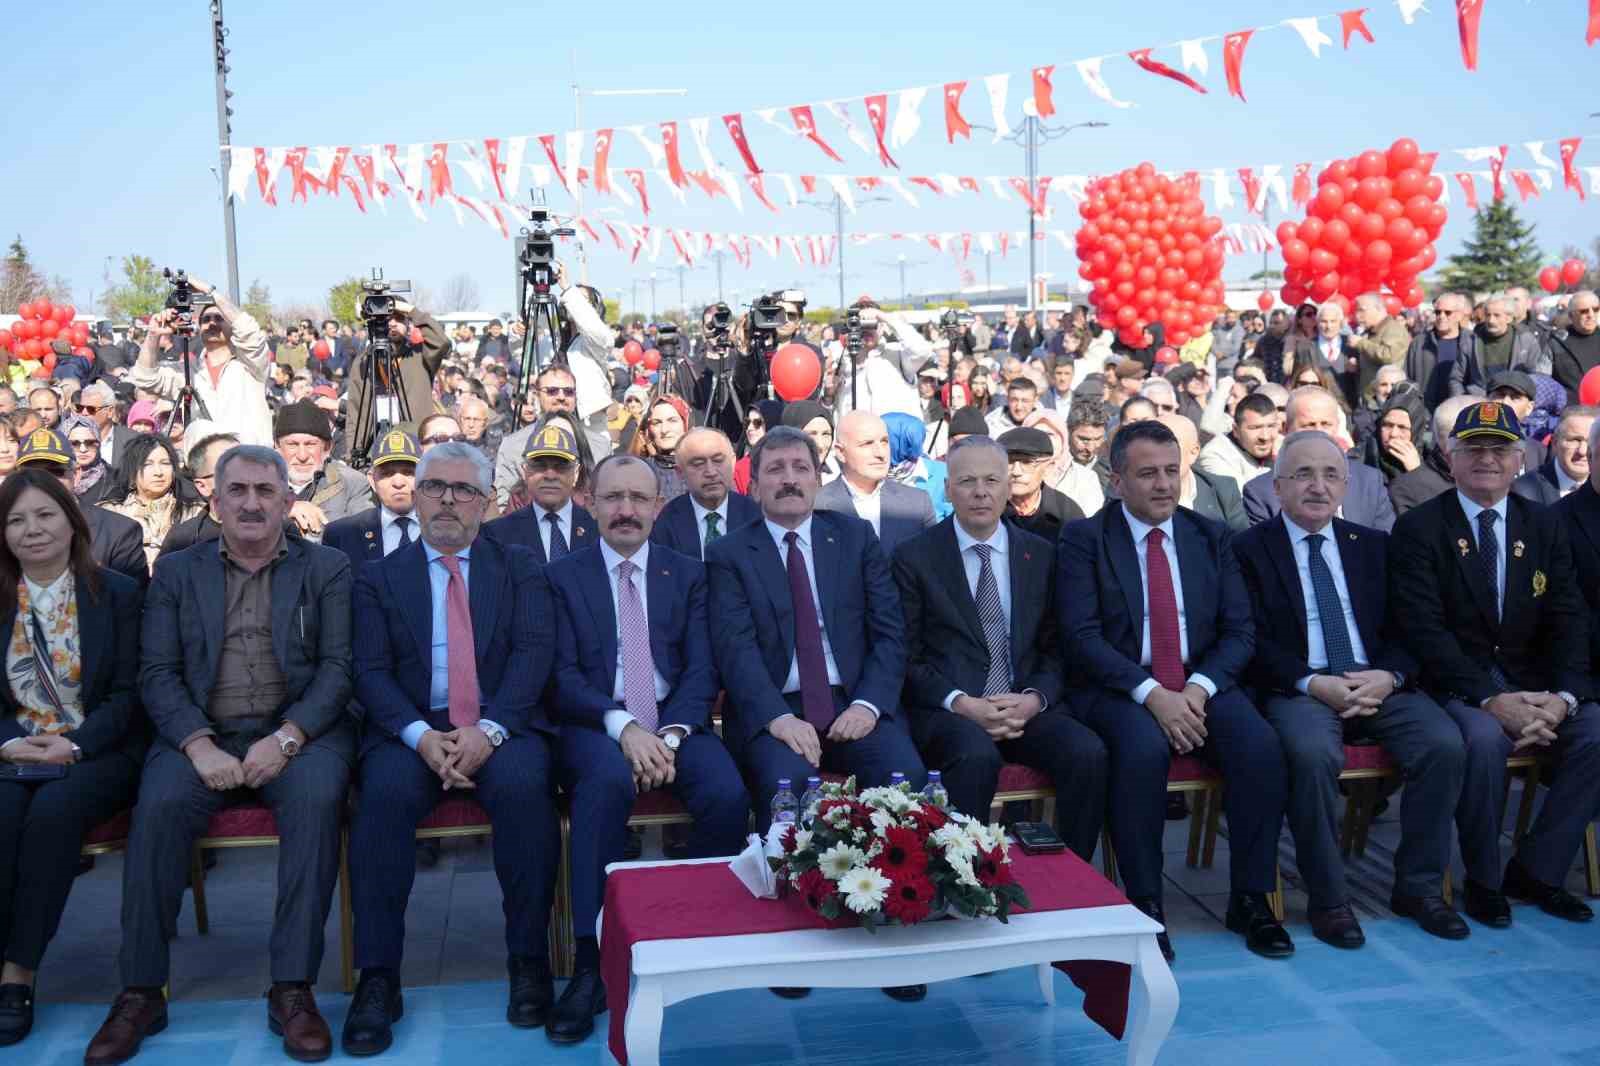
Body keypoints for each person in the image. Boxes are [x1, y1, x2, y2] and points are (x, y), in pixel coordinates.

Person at [87, 445, 353, 1065]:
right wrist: (197, 744)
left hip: (299, 733)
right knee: (156, 807)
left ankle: (292, 987)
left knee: (316, 801)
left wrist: (288, 738)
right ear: (216, 500)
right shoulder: (179, 572)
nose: (252, 503)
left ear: (289, 501)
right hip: (200, 733)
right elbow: (156, 672)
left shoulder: (328, 568)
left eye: (266, 491)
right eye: (238, 491)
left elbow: (339, 671)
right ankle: (140, 990)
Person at [341, 442, 560, 1055]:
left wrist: (487, 732)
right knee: (381, 798)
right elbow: (370, 671)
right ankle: (378, 977)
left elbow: (532, 654)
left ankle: (529, 960)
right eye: (435, 486)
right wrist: (419, 736)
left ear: (487, 503)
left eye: (464, 490)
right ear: (415, 494)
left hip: (499, 722)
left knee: (523, 789)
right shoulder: (378, 576)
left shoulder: (519, 567)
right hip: (410, 727)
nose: (446, 500)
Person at [705, 424, 927, 1001]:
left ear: (817, 476)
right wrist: (776, 718)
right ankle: (793, 938)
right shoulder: (729, 553)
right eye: (774, 469)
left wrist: (869, 704)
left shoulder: (852, 539)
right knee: (790, 787)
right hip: (776, 710)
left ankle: (894, 929)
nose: (788, 479)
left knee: (904, 777)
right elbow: (735, 648)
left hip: (854, 703)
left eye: (799, 468)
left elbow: (889, 634)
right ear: (754, 485)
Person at [1058, 419, 1291, 962]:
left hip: (1200, 682)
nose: (1163, 485)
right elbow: (1081, 637)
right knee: (1142, 750)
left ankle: (1252, 899)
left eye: (1171, 471)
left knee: (1259, 746)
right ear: (1117, 480)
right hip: (1119, 685)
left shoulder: (1209, 535)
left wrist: (1199, 689)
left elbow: (1239, 631)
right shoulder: (1084, 540)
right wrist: (1151, 694)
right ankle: (1145, 903)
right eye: (1147, 475)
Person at [1234, 432, 1468, 947]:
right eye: (1303, 475)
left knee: (1444, 744)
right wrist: (1312, 681)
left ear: (1346, 484)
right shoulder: (1247, 550)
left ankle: (1421, 888)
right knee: (1312, 753)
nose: (1318, 487)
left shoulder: (1376, 548)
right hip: (1301, 687)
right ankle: (1329, 899)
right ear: (1277, 487)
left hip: (1377, 680)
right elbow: (1248, 638)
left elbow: (1414, 628)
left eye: (1331, 475)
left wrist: (1391, 676)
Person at [546, 455, 749, 1043]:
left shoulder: (687, 574)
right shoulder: (562, 576)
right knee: (604, 788)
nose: (626, 510)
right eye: (613, 498)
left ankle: (692, 937)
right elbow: (559, 674)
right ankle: (592, 962)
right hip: (596, 725)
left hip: (676, 726)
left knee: (728, 794)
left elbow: (701, 667)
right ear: (591, 502)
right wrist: (622, 727)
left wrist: (672, 733)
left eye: (639, 499)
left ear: (660, 507)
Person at [1389, 401, 1600, 928]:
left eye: (1500, 448)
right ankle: (1483, 881)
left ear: (1521, 459)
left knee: (1597, 731)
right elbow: (1424, 632)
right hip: (1457, 689)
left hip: (1535, 688)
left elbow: (1570, 618)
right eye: (1474, 448)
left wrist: (1564, 697)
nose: (1487, 458)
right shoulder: (1419, 528)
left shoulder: (1544, 525)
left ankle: (1537, 871)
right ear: (1450, 457)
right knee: (1483, 740)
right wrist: (1490, 698)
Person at [892, 437, 1107, 853]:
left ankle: (1072, 878)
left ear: (1009, 486)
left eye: (992, 480)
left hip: (1022, 703)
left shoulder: (1041, 555)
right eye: (967, 481)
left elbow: (1056, 646)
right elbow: (905, 654)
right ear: (948, 489)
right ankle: (966, 874)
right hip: (952, 710)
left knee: (1087, 752)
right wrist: (962, 703)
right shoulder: (914, 557)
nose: (980, 491)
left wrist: (1034, 699)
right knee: (975, 758)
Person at [0, 470, 144, 1048]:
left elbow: (131, 693)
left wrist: (76, 744)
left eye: (44, 515)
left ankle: (19, 972)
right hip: (13, 750)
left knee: (55, 813)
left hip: (97, 750)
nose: (32, 530)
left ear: (71, 521)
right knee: (5, 810)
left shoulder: (119, 593)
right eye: (15, 520)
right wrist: (10, 739)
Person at [127, 281, 274, 446]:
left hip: (250, 460)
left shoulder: (251, 365)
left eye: (219, 319)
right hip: (204, 465)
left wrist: (210, 293)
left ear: (232, 325)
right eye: (206, 319)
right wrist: (153, 334)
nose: (212, 323)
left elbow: (250, 334)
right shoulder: (188, 372)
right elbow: (144, 377)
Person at [1242, 387, 1396, 531]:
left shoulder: (1369, 482)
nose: (1319, 433)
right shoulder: (1261, 493)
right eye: (1309, 425)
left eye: (1326, 424)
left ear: (1337, 426)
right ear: (1285, 429)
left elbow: (1384, 547)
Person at [13, 430, 147, 589]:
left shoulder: (119, 532)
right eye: (33, 473)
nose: (44, 481)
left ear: (75, 474)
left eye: (55, 472)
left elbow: (129, 602)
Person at [814, 411, 936, 556]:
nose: (880, 453)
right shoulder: (816, 506)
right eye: (867, 444)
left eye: (884, 442)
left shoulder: (918, 503)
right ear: (841, 452)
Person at [344, 297, 449, 464]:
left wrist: (412, 310)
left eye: (399, 318)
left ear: (408, 324)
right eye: (386, 318)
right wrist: (353, 455)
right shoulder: (363, 361)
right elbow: (355, 412)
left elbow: (442, 342)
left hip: (416, 445)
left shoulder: (420, 355)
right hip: (375, 449)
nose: (392, 323)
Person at [482, 423, 598, 564]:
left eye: (561, 466)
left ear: (576, 473)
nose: (550, 475)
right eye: (539, 466)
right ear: (525, 471)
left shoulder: (599, 530)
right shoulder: (497, 534)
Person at [650, 428, 760, 560]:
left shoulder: (754, 515)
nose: (711, 472)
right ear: (680, 472)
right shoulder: (667, 523)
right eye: (698, 464)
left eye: (718, 461)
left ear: (732, 462)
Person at [100, 435, 205, 569]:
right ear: (132, 470)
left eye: (165, 463)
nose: (158, 472)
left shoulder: (195, 512)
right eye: (147, 464)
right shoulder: (110, 512)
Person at [273, 399, 374, 540]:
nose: (302, 456)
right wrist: (284, 509)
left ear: (327, 448)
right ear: (277, 447)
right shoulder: (257, 483)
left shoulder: (353, 483)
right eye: (292, 444)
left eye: (310, 444)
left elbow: (365, 537)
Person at [324, 431, 421, 570]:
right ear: (371, 479)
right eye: (387, 474)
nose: (399, 482)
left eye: (409, 473)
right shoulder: (341, 535)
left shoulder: (448, 530)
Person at [1388, 395, 1473, 518]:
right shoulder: (1404, 489)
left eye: (1402, 427)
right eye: (1387, 425)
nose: (1393, 434)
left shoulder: (1500, 482)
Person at [1160, 413, 1247, 531]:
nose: (1158, 455)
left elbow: (1241, 543)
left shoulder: (1222, 490)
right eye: (1151, 447)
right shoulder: (1133, 492)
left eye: (1169, 445)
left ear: (1193, 453)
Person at [998, 426, 1084, 542]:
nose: (1016, 471)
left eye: (1027, 462)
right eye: (1009, 462)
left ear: (1048, 467)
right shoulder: (985, 507)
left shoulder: (1067, 512)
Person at [1449, 294, 1546, 396]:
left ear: (1509, 317)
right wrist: (1462, 403)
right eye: (1488, 315)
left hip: (1515, 402)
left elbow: (1538, 377)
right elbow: (1456, 378)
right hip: (1479, 403)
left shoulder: (1526, 341)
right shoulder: (1470, 341)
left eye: (1497, 315)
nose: (1491, 320)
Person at [1197, 391, 1278, 495]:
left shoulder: (1284, 446)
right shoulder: (1214, 455)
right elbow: (1248, 500)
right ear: (1236, 430)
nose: (1265, 437)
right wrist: (1277, 464)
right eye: (1255, 428)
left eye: (1271, 426)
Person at [1513, 405, 1595, 505]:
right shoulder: (1523, 491)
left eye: (1591, 441)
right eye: (1575, 440)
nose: (1582, 451)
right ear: (1555, 443)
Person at [1407, 293, 1476, 409]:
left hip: (1461, 410)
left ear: (1459, 315)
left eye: (1447, 312)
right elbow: (1409, 377)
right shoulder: (1419, 342)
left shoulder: (1472, 341)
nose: (1441, 316)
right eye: (1438, 312)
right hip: (1426, 412)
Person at [1344, 294, 1412, 399]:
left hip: (1387, 398)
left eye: (1362, 310)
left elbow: (1389, 356)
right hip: (1369, 398)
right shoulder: (1370, 331)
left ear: (1378, 309)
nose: (1357, 316)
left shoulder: (1393, 329)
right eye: (1356, 311)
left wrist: (1361, 343)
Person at [1057, 400, 1110, 517]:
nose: (1090, 448)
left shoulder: (1114, 470)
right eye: (1084, 439)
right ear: (1067, 431)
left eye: (1097, 439)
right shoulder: (1053, 467)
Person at [1549, 291, 1600, 396]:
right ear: (1571, 315)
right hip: (1572, 409)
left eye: (1595, 309)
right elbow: (1543, 379)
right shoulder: (1556, 342)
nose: (1590, 315)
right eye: (1584, 311)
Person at [640, 395, 690, 502]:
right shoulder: (640, 471)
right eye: (656, 423)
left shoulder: (703, 469)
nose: (664, 430)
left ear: (685, 424)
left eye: (672, 420)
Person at [780, 401, 841, 484]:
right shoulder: (772, 484)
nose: (820, 445)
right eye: (811, 434)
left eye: (826, 434)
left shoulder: (837, 476)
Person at [60, 414, 111, 505]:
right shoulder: (55, 475)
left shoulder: (114, 479)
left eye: (90, 443)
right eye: (74, 444)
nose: (83, 449)